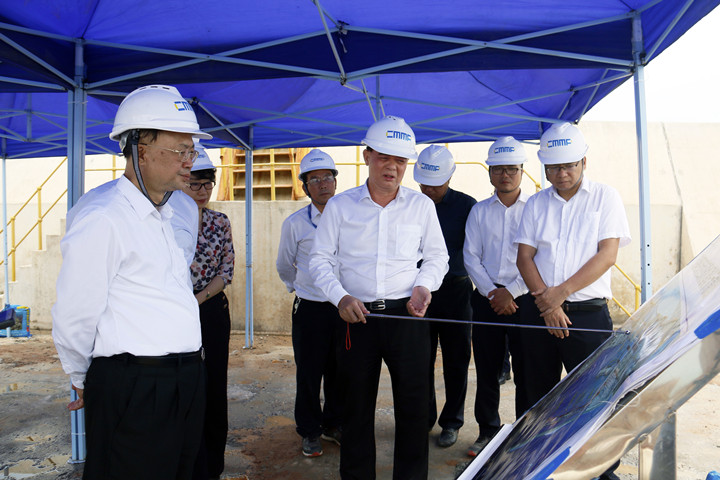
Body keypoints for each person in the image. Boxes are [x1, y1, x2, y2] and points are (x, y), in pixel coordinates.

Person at [52, 84, 212, 480]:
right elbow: (75, 311)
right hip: (136, 384)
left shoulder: (171, 210)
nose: (189, 162)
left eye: (192, 151)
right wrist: (79, 376)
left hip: (185, 378)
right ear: (140, 149)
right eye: (180, 151)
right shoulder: (103, 216)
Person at [309, 116, 449, 480]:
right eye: (384, 157)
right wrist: (340, 298)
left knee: (414, 409)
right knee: (355, 410)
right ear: (367, 156)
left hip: (408, 316)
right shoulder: (341, 207)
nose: (392, 167)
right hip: (357, 318)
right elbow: (319, 260)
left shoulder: (421, 206)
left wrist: (424, 286)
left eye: (400, 160)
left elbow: (437, 257)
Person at [515, 122, 631, 480]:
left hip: (587, 316)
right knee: (536, 394)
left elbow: (607, 255)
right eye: (553, 167)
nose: (561, 173)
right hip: (540, 313)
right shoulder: (536, 203)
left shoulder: (605, 197)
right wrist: (549, 306)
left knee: (594, 397)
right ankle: (535, 464)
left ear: (583, 162)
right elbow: (524, 257)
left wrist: (560, 296)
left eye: (568, 165)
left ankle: (599, 470)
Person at [462, 136, 530, 457]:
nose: (505, 175)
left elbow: (540, 258)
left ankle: (523, 434)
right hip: (486, 299)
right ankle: (487, 431)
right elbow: (470, 256)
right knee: (487, 369)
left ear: (522, 171)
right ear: (489, 172)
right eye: (499, 169)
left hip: (524, 299)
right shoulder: (479, 211)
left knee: (526, 371)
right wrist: (492, 292)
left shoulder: (534, 210)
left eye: (512, 169)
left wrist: (511, 292)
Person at [276, 149, 343, 458]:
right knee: (309, 372)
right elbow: (284, 264)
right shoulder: (295, 224)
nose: (323, 184)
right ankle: (310, 430)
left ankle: (333, 424)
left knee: (340, 371)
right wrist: (299, 288)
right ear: (305, 187)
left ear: (335, 182)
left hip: (342, 307)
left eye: (328, 177)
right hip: (311, 308)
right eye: (315, 180)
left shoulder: (349, 218)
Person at [412, 144, 475, 449]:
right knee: (419, 357)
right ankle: (423, 418)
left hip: (455, 291)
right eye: (423, 183)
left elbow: (476, 250)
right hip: (417, 291)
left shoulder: (467, 207)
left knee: (456, 359)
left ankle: (452, 422)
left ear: (450, 176)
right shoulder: (409, 204)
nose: (428, 189)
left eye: (435, 184)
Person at [183, 144, 235, 480]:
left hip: (209, 309)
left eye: (208, 184)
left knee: (214, 387)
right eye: (195, 184)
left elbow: (226, 271)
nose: (203, 191)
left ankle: (212, 466)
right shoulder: (165, 221)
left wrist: (198, 299)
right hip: (174, 314)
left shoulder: (219, 222)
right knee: (183, 388)